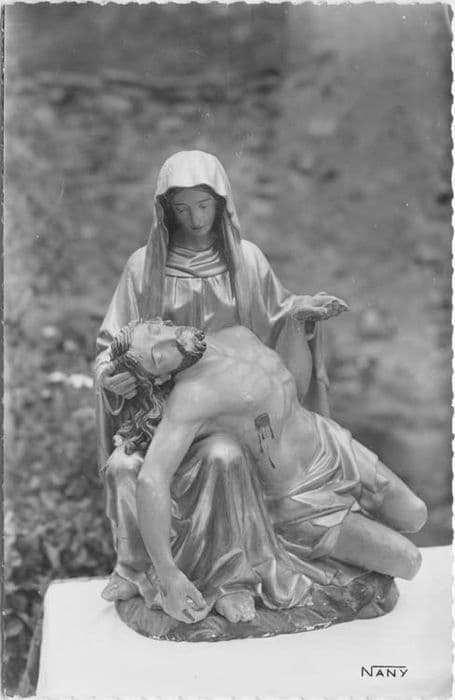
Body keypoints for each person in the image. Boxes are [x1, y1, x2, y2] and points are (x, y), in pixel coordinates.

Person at [95, 150, 347, 608]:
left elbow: (277, 317)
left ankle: (229, 580)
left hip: (224, 413)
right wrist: (111, 378)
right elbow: (111, 346)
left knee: (224, 456)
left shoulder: (246, 262)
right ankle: (136, 568)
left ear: (222, 203)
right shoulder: (142, 267)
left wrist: (301, 313)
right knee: (122, 467)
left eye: (204, 206)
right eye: (182, 208)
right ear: (165, 211)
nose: (195, 219)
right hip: (157, 414)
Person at [103, 318, 427, 625]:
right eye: (158, 356)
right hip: (303, 499)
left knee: (415, 514)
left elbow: (292, 386)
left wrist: (298, 323)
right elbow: (152, 478)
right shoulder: (191, 398)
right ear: (159, 378)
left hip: (331, 445)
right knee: (408, 562)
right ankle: (332, 547)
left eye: (156, 329)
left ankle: (355, 534)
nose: (168, 339)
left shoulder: (237, 334)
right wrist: (167, 572)